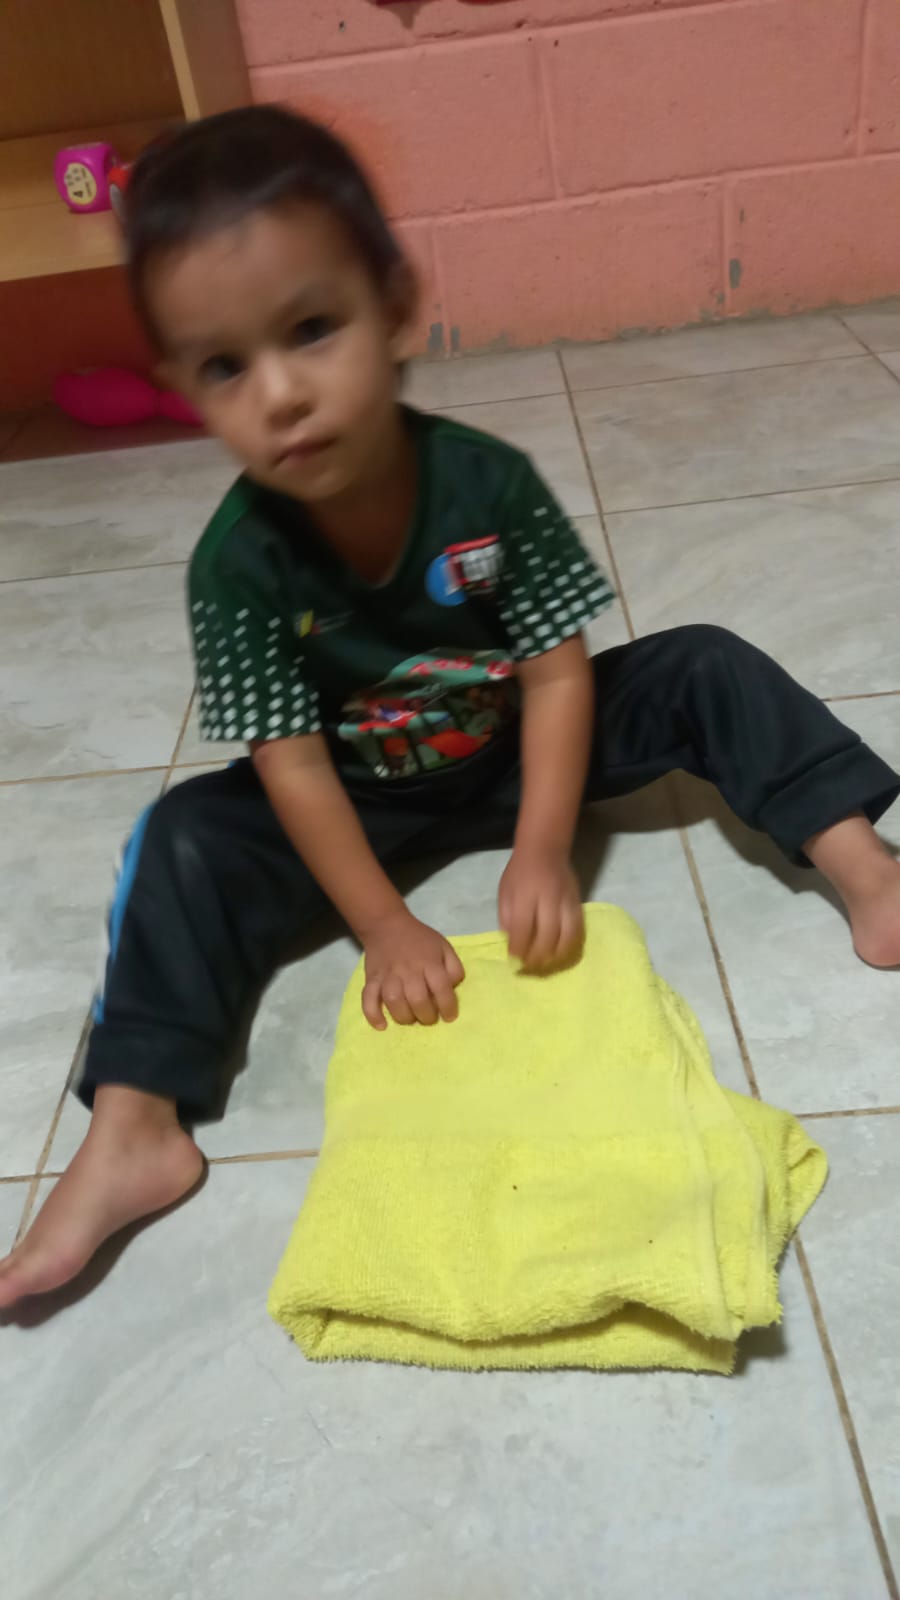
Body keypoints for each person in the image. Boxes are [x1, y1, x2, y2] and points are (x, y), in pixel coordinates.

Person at [2, 106, 898, 1310]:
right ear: (185, 391)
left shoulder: (487, 484)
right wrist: (382, 926)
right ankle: (133, 1129)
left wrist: (543, 845)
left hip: (519, 744)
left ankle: (866, 868)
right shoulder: (234, 564)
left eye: (311, 330)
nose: (280, 394)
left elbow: (559, 672)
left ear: (393, 309)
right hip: (355, 797)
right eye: (224, 367)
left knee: (704, 663)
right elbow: (292, 766)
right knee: (180, 837)